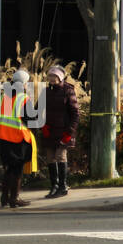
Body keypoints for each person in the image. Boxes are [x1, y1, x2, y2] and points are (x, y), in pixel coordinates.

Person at [0, 70, 35, 208]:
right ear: (24, 83)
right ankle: (14, 198)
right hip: (17, 139)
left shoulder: (5, 96)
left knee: (9, 169)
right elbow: (30, 120)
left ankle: (4, 197)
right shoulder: (23, 98)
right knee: (17, 170)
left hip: (4, 138)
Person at [40, 65, 78, 199]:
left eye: (54, 76)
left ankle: (63, 186)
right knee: (50, 158)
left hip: (63, 131)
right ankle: (54, 186)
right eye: (49, 76)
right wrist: (42, 125)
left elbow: (75, 113)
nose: (51, 79)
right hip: (49, 131)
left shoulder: (68, 91)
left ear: (60, 77)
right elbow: (38, 110)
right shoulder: (45, 92)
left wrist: (69, 132)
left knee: (60, 156)